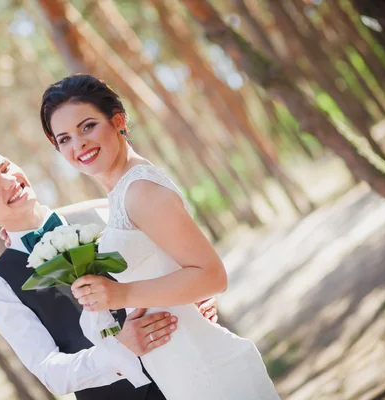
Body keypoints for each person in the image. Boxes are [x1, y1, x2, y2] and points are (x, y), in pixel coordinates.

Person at [39, 74, 280, 400]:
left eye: (87, 127)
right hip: (183, 373)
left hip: (209, 370)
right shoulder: (121, 191)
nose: (78, 144)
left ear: (118, 120)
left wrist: (119, 296)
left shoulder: (141, 190)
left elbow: (212, 275)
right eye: (64, 138)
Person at [0, 140, 218, 399]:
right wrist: (119, 351)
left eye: (6, 168)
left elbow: (177, 260)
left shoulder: (104, 212)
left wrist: (196, 295)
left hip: (197, 370)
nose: (9, 181)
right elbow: (50, 371)